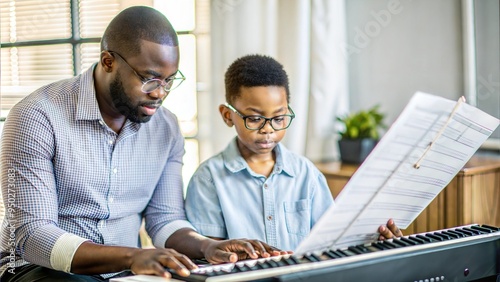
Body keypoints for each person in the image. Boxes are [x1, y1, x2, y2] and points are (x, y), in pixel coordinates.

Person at [0, 7, 287, 282]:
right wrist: (132, 257)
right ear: (108, 61)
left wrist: (208, 247)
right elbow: (32, 235)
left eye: (170, 81)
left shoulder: (166, 127)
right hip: (37, 270)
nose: (160, 94)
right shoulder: (36, 116)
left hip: (125, 272)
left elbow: (165, 219)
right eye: (149, 80)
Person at [185, 54, 403, 250]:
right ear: (227, 115)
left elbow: (329, 243)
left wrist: (373, 242)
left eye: (279, 118)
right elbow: (210, 254)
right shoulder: (209, 178)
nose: (268, 129)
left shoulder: (306, 173)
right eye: (254, 118)